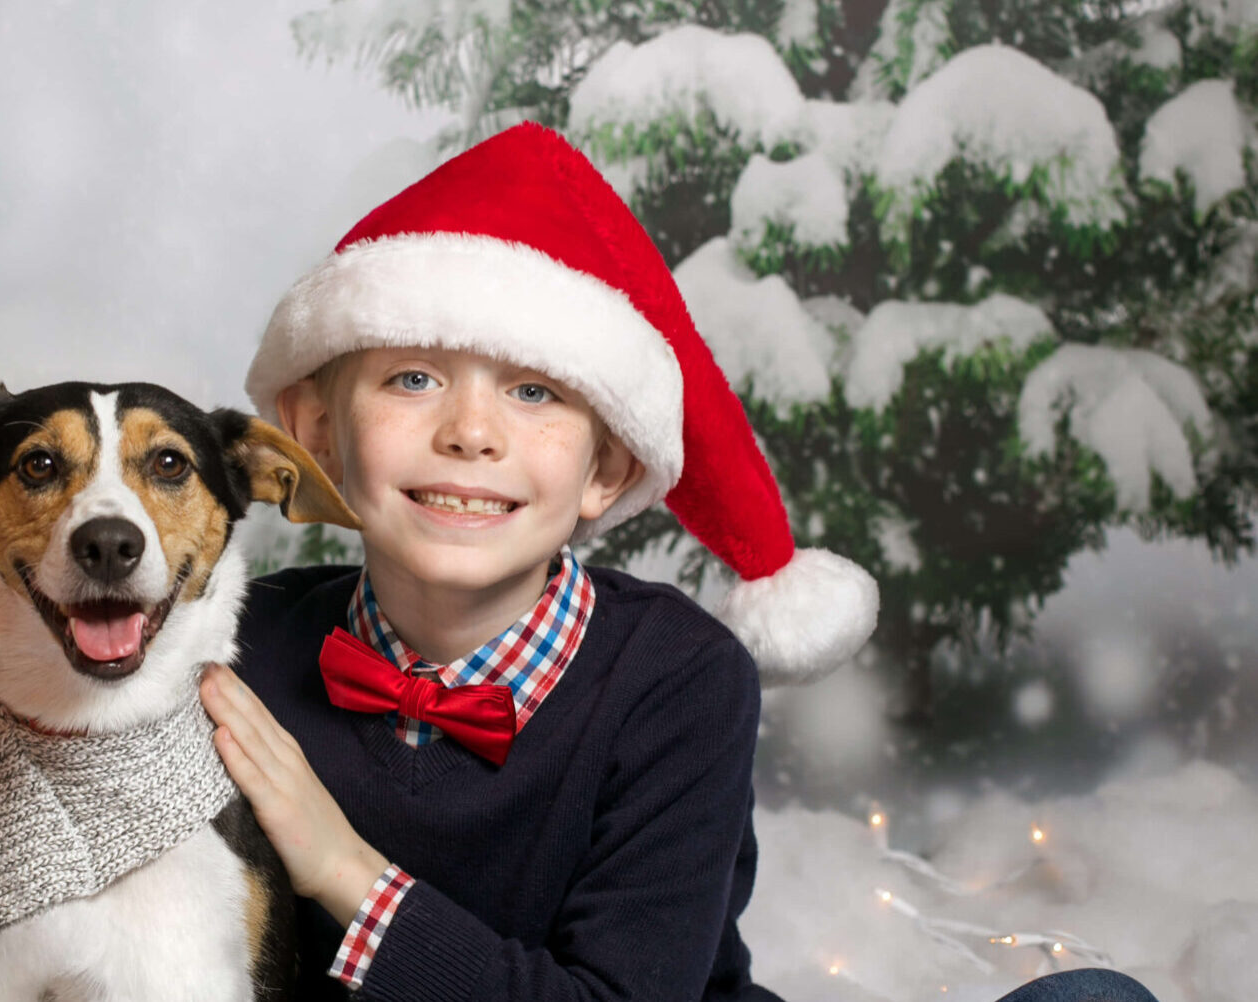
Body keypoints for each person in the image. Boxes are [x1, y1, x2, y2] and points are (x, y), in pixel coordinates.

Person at [200, 122, 1158, 1002]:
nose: (471, 433)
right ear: (316, 432)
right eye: (413, 378)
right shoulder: (241, 644)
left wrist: (343, 872)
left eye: (534, 390)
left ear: (605, 469)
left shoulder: (677, 678)